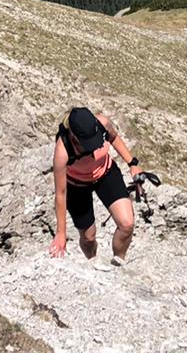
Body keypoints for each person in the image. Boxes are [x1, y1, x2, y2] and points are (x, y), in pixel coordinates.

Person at [48, 106, 144, 266]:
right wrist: (61, 233)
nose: (93, 146)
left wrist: (132, 163)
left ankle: (118, 263)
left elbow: (114, 138)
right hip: (76, 186)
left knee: (127, 224)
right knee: (88, 237)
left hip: (105, 173)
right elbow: (61, 193)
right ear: (74, 136)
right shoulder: (62, 150)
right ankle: (92, 263)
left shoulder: (102, 123)